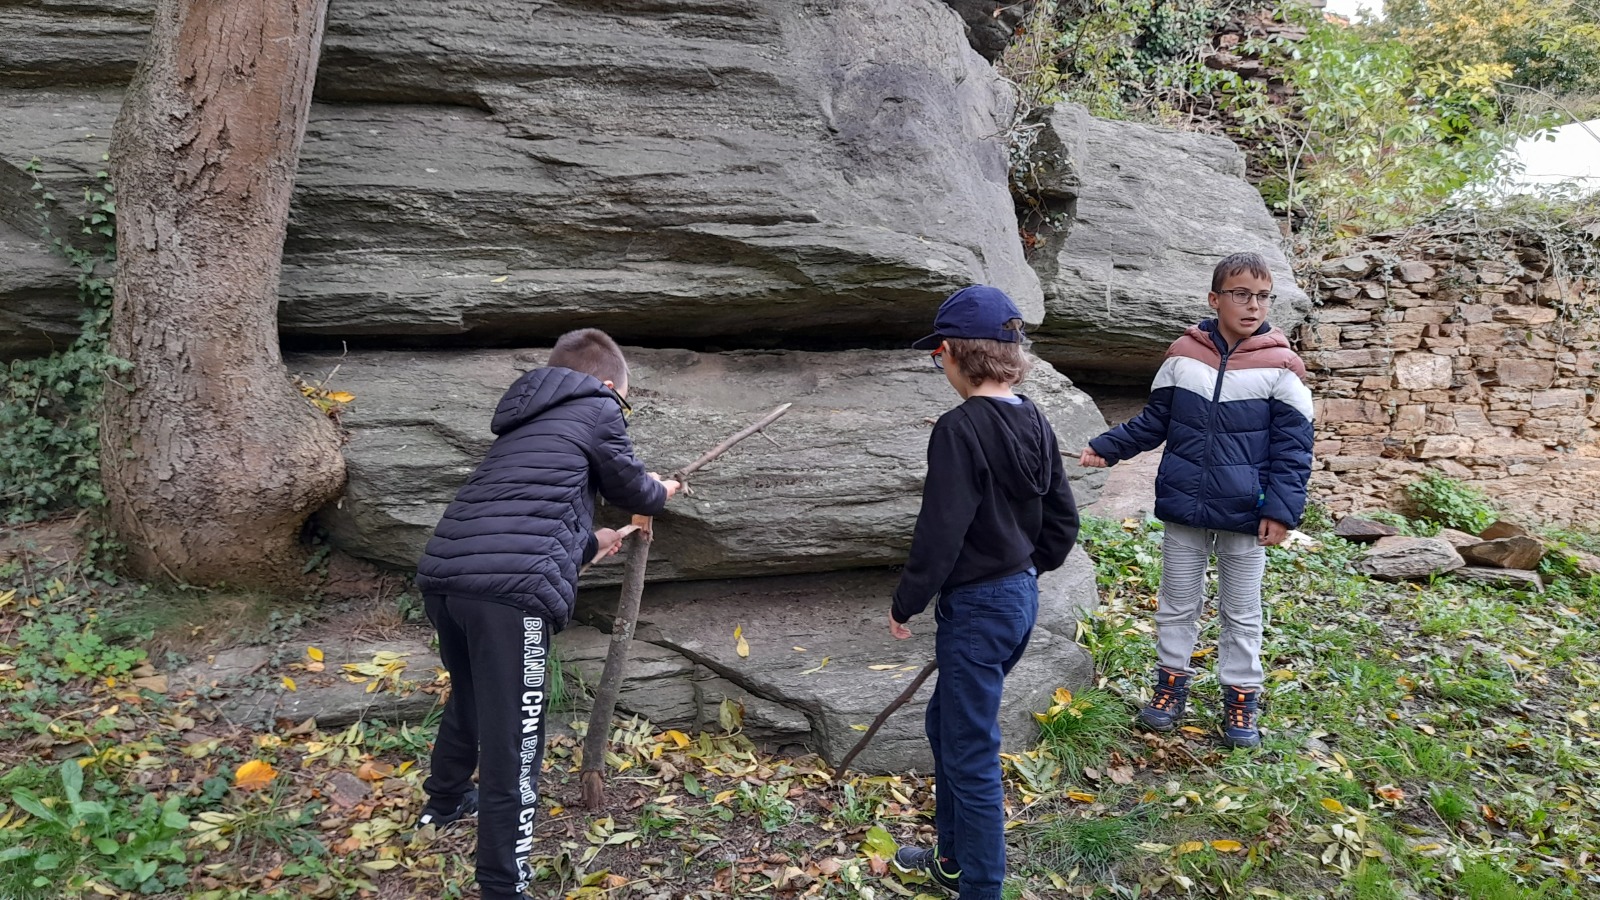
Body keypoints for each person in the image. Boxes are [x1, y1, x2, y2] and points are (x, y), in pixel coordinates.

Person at [411, 328, 679, 900]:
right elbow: (634, 488)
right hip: (509, 601)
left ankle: (444, 802)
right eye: (624, 399)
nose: (622, 409)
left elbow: (523, 521)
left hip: (448, 581)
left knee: (470, 697)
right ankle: (503, 885)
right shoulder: (599, 407)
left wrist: (592, 541)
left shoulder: (523, 422)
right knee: (516, 741)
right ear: (608, 384)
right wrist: (663, 490)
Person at [888, 285, 1081, 900]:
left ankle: (982, 886)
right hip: (1018, 598)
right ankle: (952, 859)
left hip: (978, 607)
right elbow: (1063, 518)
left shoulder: (958, 428)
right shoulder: (1035, 418)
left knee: (969, 747)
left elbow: (941, 528)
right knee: (946, 723)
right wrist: (1026, 568)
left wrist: (908, 599)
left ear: (950, 353)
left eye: (936, 355)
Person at [1079, 251, 1313, 749]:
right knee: (1177, 602)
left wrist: (1280, 509)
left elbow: (1294, 447)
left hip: (1247, 511)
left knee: (1241, 611)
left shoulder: (1282, 364)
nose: (1253, 305)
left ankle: (1241, 697)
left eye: (1263, 296)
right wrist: (1107, 447)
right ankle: (1169, 686)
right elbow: (1155, 420)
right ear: (1214, 299)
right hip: (1185, 503)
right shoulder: (1183, 356)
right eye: (1241, 294)